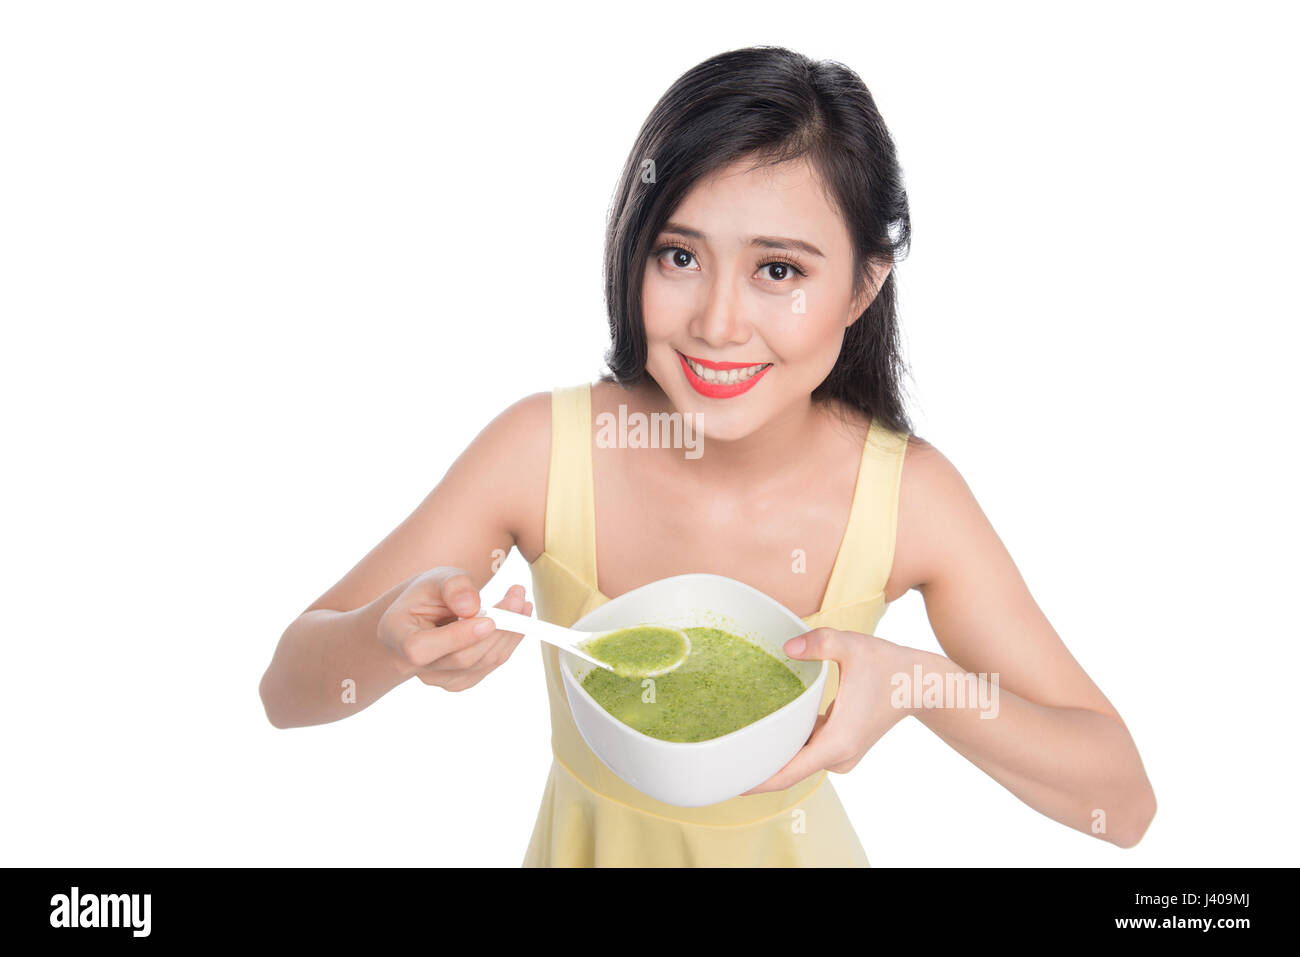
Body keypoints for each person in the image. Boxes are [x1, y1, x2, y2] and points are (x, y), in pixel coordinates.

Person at [259, 45, 1157, 866]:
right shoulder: (542, 451)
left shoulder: (907, 498)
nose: (718, 324)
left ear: (862, 287)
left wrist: (921, 684)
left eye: (780, 270)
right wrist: (389, 639)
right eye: (680, 255)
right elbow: (288, 688)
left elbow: (1122, 801)